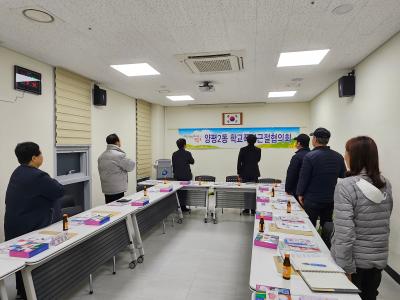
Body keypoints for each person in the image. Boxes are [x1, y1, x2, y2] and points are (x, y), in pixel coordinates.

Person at [331, 136, 392, 300]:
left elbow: (345, 232)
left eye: (346, 152)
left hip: (355, 262)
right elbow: (384, 221)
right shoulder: (385, 183)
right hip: (377, 259)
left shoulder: (346, 185)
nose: (344, 156)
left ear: (354, 156)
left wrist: (346, 268)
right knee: (370, 295)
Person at [4, 142, 64, 299]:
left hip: (14, 225)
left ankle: (22, 292)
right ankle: (34, 293)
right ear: (34, 157)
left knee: (21, 263)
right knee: (34, 264)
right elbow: (59, 190)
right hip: (31, 226)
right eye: (41, 154)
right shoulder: (38, 176)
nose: (42, 157)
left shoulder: (17, 172)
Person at [296, 128, 346, 227]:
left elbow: (304, 178)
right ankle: (326, 242)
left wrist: (300, 194)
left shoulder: (310, 156)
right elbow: (342, 174)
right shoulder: (338, 156)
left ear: (314, 139)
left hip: (312, 199)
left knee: (310, 226)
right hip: (330, 199)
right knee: (327, 226)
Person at [98, 134, 135, 204]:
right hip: (117, 190)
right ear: (117, 142)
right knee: (119, 210)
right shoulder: (119, 155)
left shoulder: (101, 156)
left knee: (110, 209)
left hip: (106, 190)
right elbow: (131, 166)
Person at [237, 134, 261, 215]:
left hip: (245, 173)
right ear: (255, 141)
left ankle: (247, 209)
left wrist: (239, 174)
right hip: (254, 173)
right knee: (254, 192)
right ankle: (253, 210)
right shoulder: (258, 150)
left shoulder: (243, 149)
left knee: (246, 192)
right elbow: (258, 160)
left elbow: (239, 162)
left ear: (247, 141)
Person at [285, 134, 310, 199]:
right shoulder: (313, 155)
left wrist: (287, 189)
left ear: (298, 143)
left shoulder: (297, 157)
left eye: (296, 142)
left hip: (297, 190)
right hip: (310, 191)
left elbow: (291, 174)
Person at [172, 138, 194, 212]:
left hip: (177, 176)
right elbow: (192, 161)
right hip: (185, 176)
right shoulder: (187, 153)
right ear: (185, 145)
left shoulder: (174, 154)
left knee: (178, 191)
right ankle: (183, 207)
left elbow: (174, 165)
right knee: (184, 192)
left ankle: (178, 206)